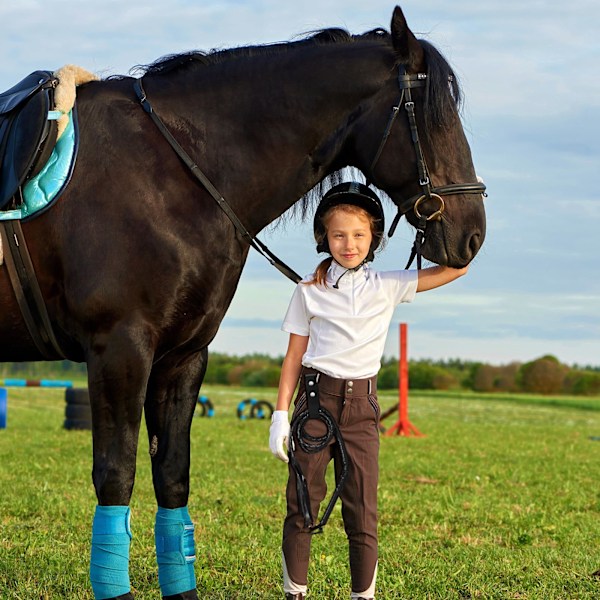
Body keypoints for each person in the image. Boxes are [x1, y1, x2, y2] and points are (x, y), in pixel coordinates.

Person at [268, 182, 469, 600]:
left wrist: (431, 222)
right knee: (302, 505)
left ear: (374, 238)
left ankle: (363, 596)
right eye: (339, 235)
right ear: (325, 238)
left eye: (359, 235)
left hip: (362, 407)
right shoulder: (307, 290)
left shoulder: (389, 284)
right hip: (314, 405)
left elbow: (457, 267)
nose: (349, 244)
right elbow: (292, 357)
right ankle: (294, 593)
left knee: (362, 512)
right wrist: (280, 414)